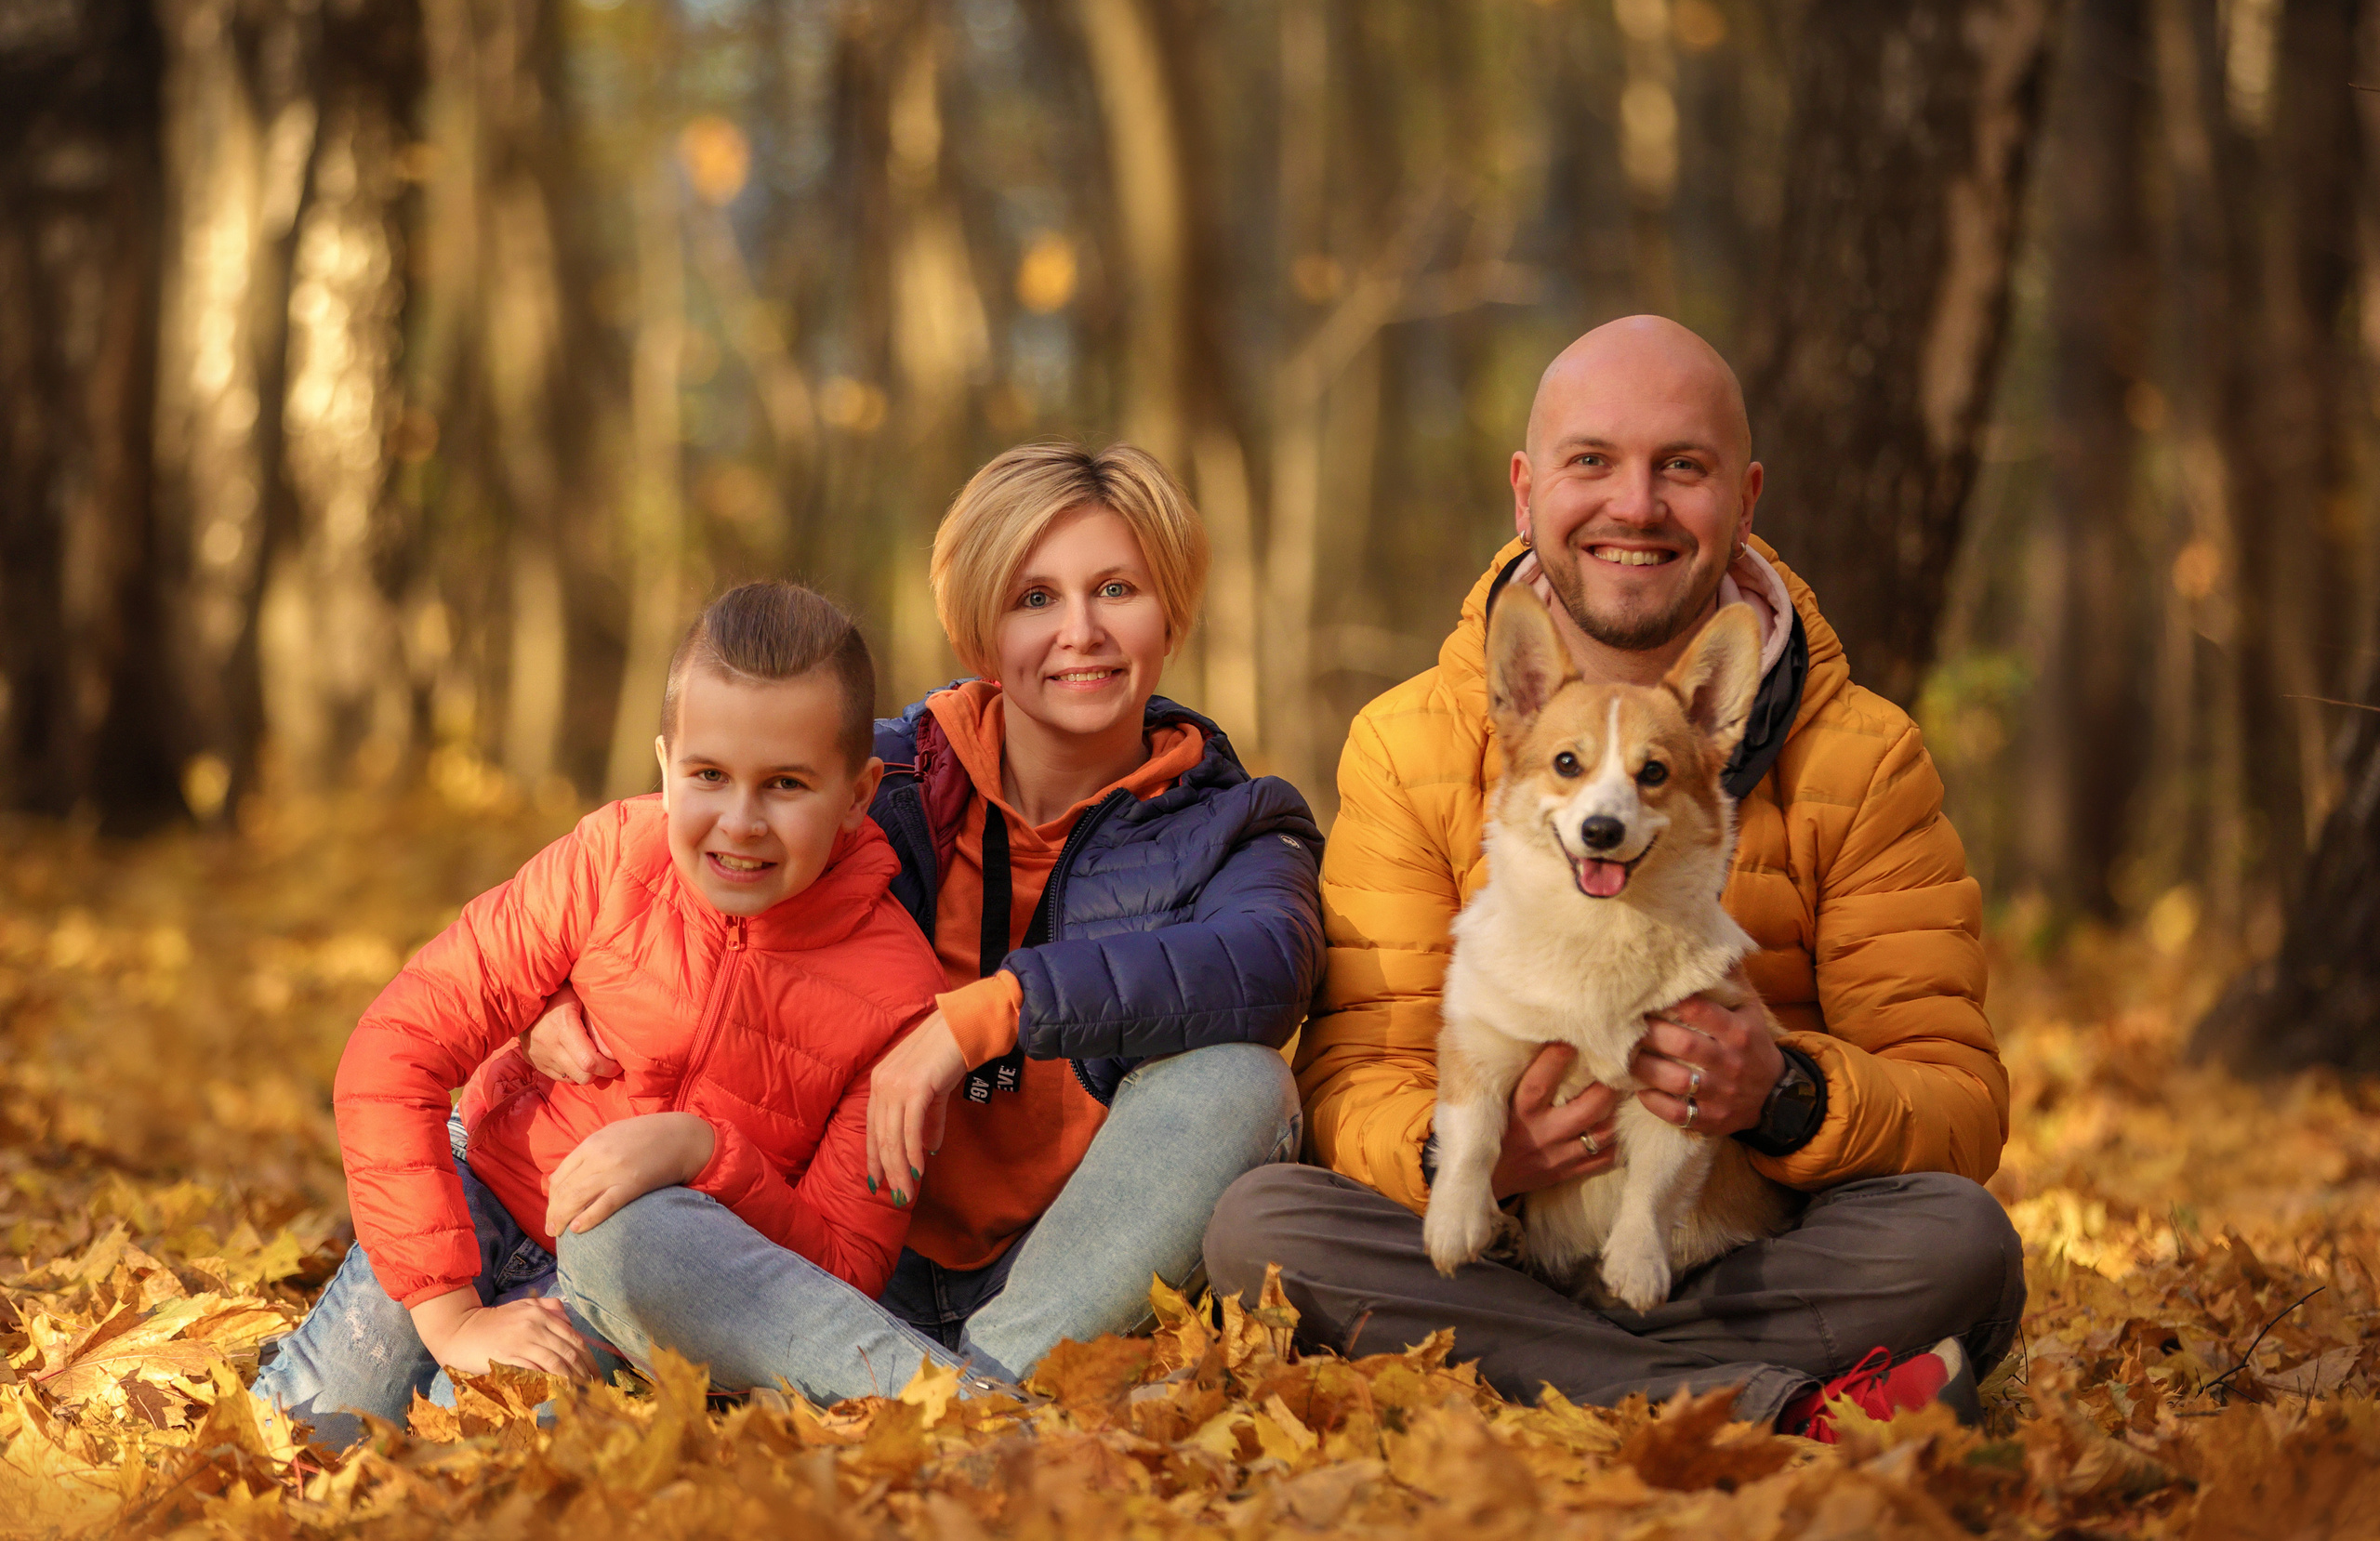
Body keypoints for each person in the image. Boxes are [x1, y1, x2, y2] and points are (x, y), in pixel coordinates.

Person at [1202, 316, 2024, 1442]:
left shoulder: (1864, 756)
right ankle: (1788, 1406)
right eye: (1592, 462)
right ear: (1525, 489)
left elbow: (1957, 1103)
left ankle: (1564, 1380)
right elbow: (1354, 1074)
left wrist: (1787, 1094)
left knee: (1960, 1239)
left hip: (1742, 1246)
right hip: (1505, 1245)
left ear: (1745, 498)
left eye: (1679, 467)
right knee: (1261, 1224)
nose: (1633, 506)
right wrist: (1470, 1153)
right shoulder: (1407, 742)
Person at [522, 441, 1326, 1402]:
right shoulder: (878, 780)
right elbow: (668, 859)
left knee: (1238, 1081)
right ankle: (981, 1413)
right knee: (616, 1236)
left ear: (1169, 613)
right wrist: (548, 993)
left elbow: (1268, 965)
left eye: (1116, 589)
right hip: (818, 1266)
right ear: (979, 624)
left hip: (1064, 1274)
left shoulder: (1235, 820)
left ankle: (947, 1396)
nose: (1082, 632)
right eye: (1034, 599)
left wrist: (977, 1017)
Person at [253, 584, 947, 1448]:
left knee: (475, 1467)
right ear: (664, 763)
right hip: (474, 1197)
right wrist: (452, 1320)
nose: (740, 820)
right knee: (292, 1442)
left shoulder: (901, 996)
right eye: (708, 775)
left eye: (786, 785)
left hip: (617, 1290)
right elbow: (394, 1050)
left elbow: (838, 1278)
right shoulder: (607, 861)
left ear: (858, 792)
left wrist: (707, 1153)